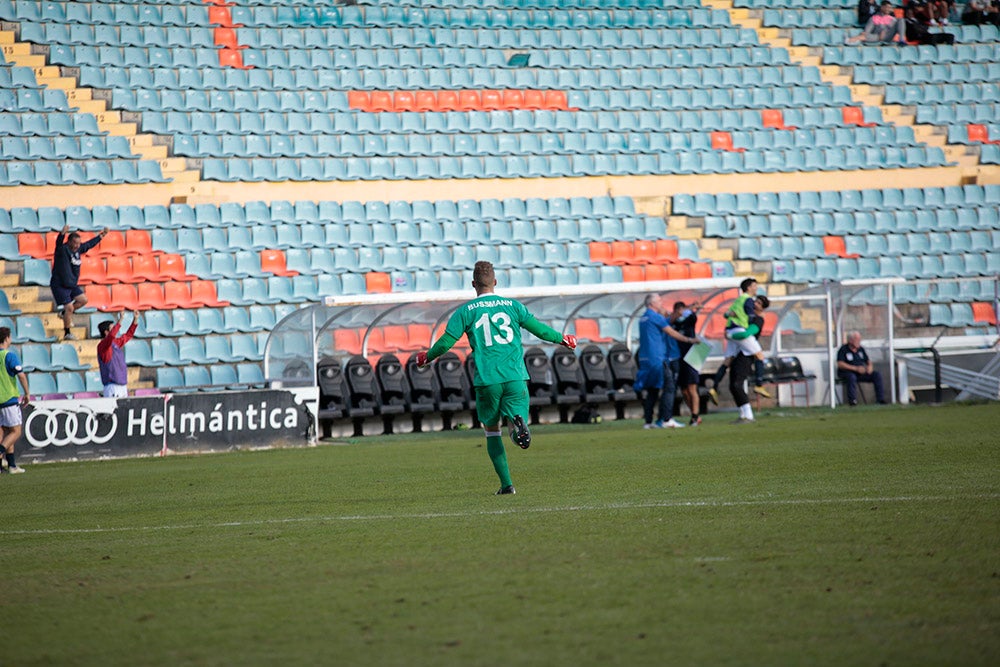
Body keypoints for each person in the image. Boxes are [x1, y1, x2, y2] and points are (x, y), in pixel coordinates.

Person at [415, 261, 577, 496]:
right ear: (496, 282)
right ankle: (518, 424)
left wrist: (426, 357)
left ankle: (507, 485)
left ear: (473, 284)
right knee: (514, 421)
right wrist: (563, 339)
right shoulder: (513, 306)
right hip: (515, 376)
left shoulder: (465, 311)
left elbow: (446, 343)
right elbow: (540, 330)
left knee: (492, 430)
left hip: (487, 379)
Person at [635, 293, 698, 430]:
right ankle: (666, 419)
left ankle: (648, 422)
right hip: (658, 358)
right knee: (669, 387)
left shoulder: (643, 318)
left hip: (645, 358)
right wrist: (689, 340)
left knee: (652, 390)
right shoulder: (655, 317)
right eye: (658, 301)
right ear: (652, 304)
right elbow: (671, 332)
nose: (661, 303)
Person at [708, 281, 773, 403]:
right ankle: (758, 385)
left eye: (759, 303)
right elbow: (728, 315)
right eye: (756, 301)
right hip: (739, 339)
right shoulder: (746, 310)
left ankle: (715, 388)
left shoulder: (758, 319)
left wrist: (730, 334)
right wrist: (731, 330)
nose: (755, 303)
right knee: (757, 356)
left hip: (741, 343)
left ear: (762, 308)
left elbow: (747, 332)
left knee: (730, 363)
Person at [50, 224, 109, 341]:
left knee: (83, 300)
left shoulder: (78, 249)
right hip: (60, 285)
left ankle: (64, 314)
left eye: (78, 243)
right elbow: (58, 244)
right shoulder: (63, 250)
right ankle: (67, 333)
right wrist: (62, 234)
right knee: (69, 307)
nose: (77, 245)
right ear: (69, 242)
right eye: (75, 243)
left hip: (71, 285)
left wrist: (101, 236)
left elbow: (88, 245)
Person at [0, 327, 31, 474]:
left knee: (6, 432)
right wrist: (27, 393)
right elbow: (21, 375)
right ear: (6, 338)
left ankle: (11, 465)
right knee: (16, 432)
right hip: (8, 399)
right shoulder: (9, 356)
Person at [670, 301, 702, 426]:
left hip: (692, 356)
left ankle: (695, 416)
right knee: (683, 390)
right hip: (679, 357)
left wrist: (691, 308)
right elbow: (670, 319)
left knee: (692, 387)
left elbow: (692, 315)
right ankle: (695, 414)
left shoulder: (689, 319)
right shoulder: (672, 324)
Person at [836, 331, 888, 406]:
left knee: (877, 375)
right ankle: (852, 401)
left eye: (859, 339)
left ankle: (880, 399)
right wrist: (855, 368)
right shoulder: (843, 349)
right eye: (856, 339)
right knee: (851, 377)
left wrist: (869, 368)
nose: (859, 341)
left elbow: (868, 361)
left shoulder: (861, 349)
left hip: (860, 373)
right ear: (850, 340)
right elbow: (840, 364)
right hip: (847, 373)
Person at [97, 311, 139, 398]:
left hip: (122, 385)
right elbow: (111, 335)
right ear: (106, 332)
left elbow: (128, 335)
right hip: (112, 386)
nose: (115, 331)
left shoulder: (115, 343)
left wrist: (135, 319)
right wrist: (120, 320)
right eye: (113, 328)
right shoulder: (102, 346)